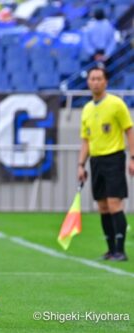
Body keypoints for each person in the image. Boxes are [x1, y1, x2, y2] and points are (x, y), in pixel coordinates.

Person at [78, 66, 133, 262]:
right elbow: (86, 140)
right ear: (88, 82)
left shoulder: (116, 104)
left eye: (99, 79)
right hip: (96, 161)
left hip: (114, 158)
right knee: (102, 206)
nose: (95, 82)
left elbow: (129, 130)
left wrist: (132, 158)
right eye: (92, 79)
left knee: (114, 203)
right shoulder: (86, 109)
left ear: (106, 82)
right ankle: (110, 249)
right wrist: (80, 164)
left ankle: (120, 250)